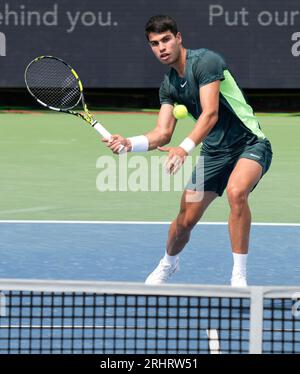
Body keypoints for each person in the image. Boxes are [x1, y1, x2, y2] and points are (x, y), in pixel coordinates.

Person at [104, 15, 272, 286]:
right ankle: (168, 264)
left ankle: (238, 276)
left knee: (236, 191)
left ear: (178, 38)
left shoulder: (206, 62)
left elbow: (210, 114)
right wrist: (128, 144)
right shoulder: (169, 85)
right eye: (154, 43)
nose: (162, 48)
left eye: (166, 39)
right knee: (185, 220)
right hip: (214, 154)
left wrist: (183, 149)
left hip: (250, 143)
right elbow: (162, 133)